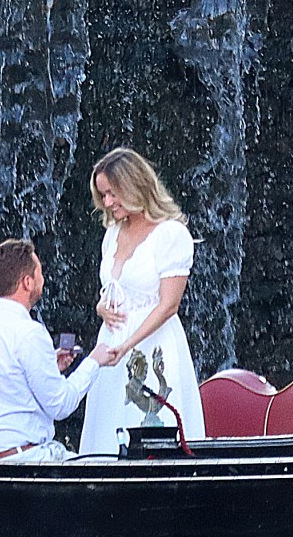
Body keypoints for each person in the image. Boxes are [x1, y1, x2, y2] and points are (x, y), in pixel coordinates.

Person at [77, 147, 207, 457]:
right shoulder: (112, 232)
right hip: (111, 343)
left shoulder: (171, 235)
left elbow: (168, 305)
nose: (107, 202)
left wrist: (127, 346)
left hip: (153, 345)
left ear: (132, 186)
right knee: (107, 428)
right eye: (103, 195)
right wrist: (100, 308)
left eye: (112, 194)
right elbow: (113, 287)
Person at [0, 237, 107, 461]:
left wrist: (49, 365)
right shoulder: (29, 333)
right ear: (27, 282)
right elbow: (60, 405)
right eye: (39, 273)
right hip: (23, 459)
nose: (42, 280)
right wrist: (94, 362)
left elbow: (2, 380)